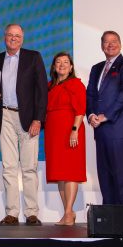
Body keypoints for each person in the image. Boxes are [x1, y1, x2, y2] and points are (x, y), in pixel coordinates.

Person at [0, 23, 48, 226]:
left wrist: (38, 119)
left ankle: (31, 213)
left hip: (29, 118)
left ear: (22, 39)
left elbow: (42, 91)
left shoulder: (34, 57)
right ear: (4, 37)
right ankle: (12, 213)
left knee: (29, 167)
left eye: (17, 36)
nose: (13, 38)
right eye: (10, 35)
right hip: (4, 116)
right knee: (9, 167)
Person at [86, 31, 123, 205]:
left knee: (121, 174)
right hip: (100, 130)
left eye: (114, 41)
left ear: (120, 44)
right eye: (106, 42)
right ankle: (108, 212)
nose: (110, 45)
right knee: (105, 173)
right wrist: (91, 115)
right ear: (102, 46)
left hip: (119, 128)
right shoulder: (96, 68)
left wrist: (106, 116)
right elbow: (90, 94)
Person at [45, 52, 87, 226]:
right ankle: (68, 212)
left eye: (65, 62)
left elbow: (80, 110)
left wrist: (74, 130)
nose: (62, 65)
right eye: (58, 62)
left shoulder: (76, 84)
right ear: (54, 67)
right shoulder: (49, 86)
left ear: (71, 67)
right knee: (59, 174)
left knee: (70, 172)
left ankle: (69, 212)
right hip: (53, 133)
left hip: (70, 131)